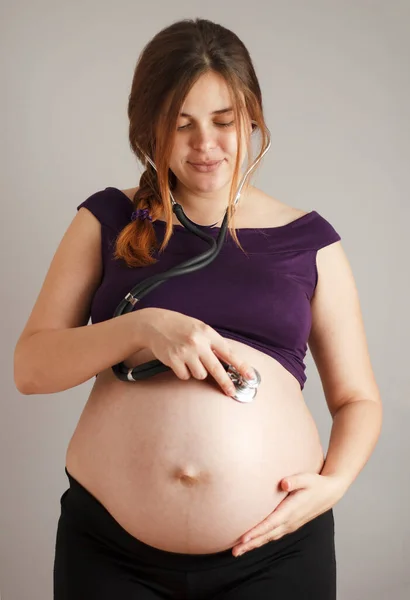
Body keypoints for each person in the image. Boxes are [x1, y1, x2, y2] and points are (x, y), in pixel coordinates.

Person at [14, 17, 382, 600]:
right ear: (149, 129)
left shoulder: (309, 242)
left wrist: (333, 484)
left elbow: (357, 398)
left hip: (274, 553)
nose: (205, 144)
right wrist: (141, 328)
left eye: (223, 121)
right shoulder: (106, 219)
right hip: (111, 552)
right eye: (181, 125)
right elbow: (30, 368)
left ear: (253, 117)